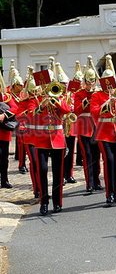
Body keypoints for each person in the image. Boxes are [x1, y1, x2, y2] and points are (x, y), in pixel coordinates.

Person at [28, 70, 71, 215]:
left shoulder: (60, 96)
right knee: (43, 170)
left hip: (57, 138)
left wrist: (56, 101)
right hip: (41, 139)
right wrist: (42, 105)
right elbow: (30, 113)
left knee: (58, 172)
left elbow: (67, 109)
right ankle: (44, 202)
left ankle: (57, 202)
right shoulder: (36, 98)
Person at [90, 55, 116, 205]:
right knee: (109, 161)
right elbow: (94, 112)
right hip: (104, 133)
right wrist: (107, 102)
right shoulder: (97, 95)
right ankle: (109, 194)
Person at [74, 56, 102, 192]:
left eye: (93, 80)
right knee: (87, 156)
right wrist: (84, 102)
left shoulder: (98, 93)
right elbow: (76, 111)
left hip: (96, 127)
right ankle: (89, 183)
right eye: (88, 80)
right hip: (84, 127)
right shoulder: (79, 94)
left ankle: (97, 180)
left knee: (97, 156)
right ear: (84, 81)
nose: (90, 83)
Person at [16, 66, 41, 198]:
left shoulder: (41, 99)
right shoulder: (24, 102)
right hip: (29, 136)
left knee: (41, 164)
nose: (35, 94)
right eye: (33, 92)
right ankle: (37, 189)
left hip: (41, 135)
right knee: (34, 162)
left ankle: (41, 187)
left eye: (36, 91)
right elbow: (19, 116)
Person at [7, 62, 28, 174]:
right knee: (20, 143)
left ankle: (24, 163)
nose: (21, 87)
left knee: (26, 143)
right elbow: (13, 108)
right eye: (19, 85)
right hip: (15, 120)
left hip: (25, 120)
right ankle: (21, 164)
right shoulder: (10, 96)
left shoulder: (23, 94)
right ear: (14, 85)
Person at [0, 70, 18, 189]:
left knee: (4, 158)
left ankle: (4, 180)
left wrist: (4, 115)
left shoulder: (6, 96)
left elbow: (15, 107)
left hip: (3, 132)